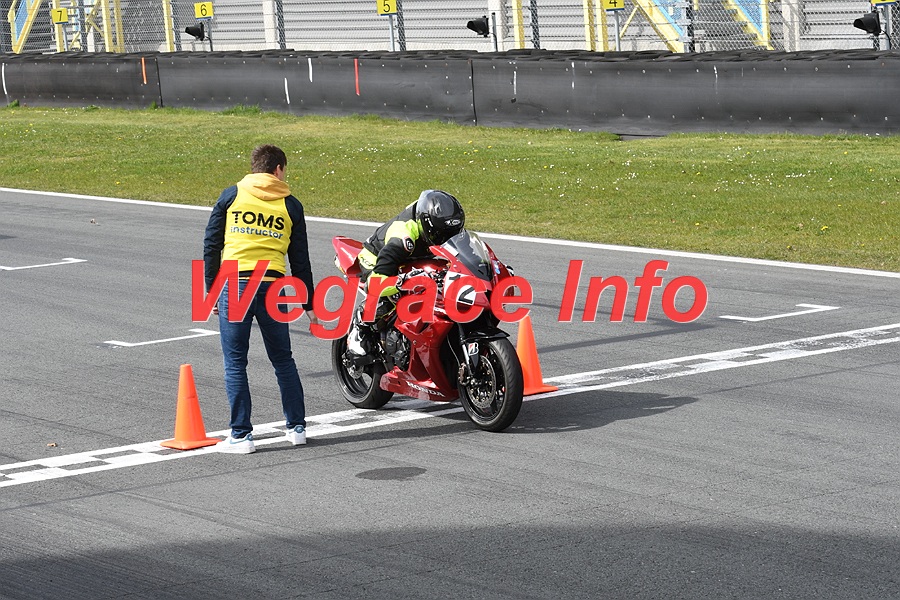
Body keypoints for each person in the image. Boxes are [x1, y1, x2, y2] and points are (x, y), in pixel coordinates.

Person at [203, 144, 319, 454]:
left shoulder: (231, 196)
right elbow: (300, 260)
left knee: (235, 362)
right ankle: (297, 428)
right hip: (274, 286)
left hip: (236, 284)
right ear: (278, 169)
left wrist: (210, 290)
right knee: (283, 359)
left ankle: (241, 436)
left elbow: (211, 245)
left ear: (255, 168)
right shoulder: (291, 205)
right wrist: (308, 303)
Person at [346, 189, 465, 356]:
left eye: (451, 234)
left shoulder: (446, 224)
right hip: (377, 258)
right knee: (393, 295)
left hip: (415, 257)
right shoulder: (403, 236)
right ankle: (360, 327)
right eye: (441, 234)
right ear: (427, 225)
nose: (446, 239)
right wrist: (402, 281)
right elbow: (376, 283)